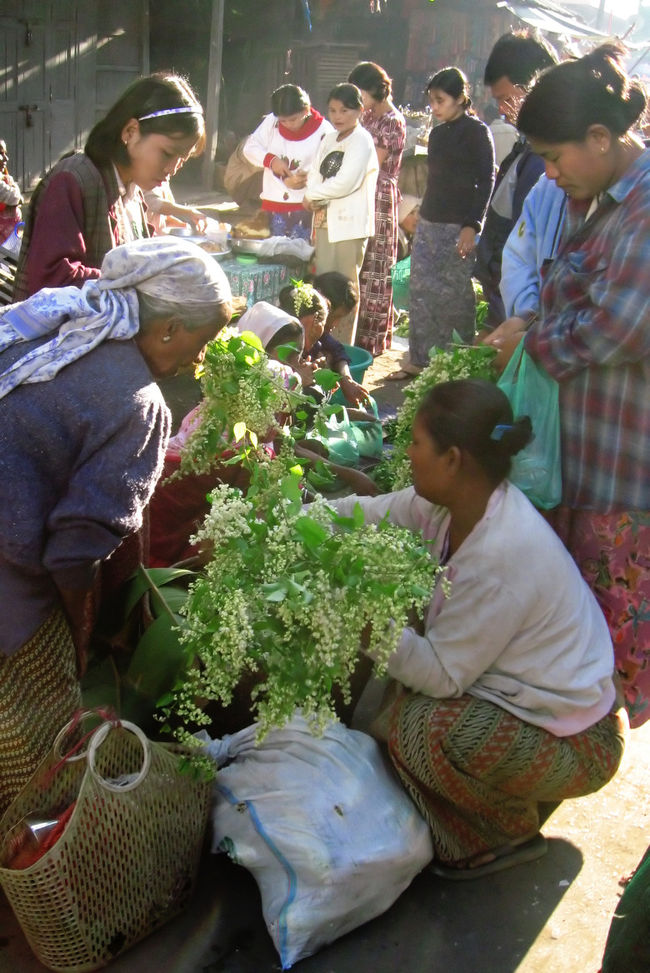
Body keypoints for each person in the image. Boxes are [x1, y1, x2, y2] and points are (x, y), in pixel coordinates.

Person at [333, 379, 626, 877]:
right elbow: (370, 515)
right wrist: (286, 523)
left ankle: (502, 831)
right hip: (528, 703)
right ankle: (487, 791)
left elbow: (444, 678)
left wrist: (361, 618)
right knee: (396, 707)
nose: (407, 452)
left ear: (452, 459)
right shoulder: (450, 505)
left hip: (581, 742)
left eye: (417, 442)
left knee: (419, 730)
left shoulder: (502, 552)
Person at [0, 237, 233, 814]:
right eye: (197, 347)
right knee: (34, 754)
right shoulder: (138, 401)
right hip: (10, 581)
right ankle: (34, 858)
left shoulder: (49, 324)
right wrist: (81, 633)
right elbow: (73, 552)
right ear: (170, 327)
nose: (192, 364)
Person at [494, 44, 650, 729]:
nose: (551, 175)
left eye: (556, 158)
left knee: (614, 650)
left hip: (626, 473)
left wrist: (529, 337)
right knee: (584, 644)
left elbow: (619, 327)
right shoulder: (603, 198)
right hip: (585, 459)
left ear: (600, 137)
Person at [13, 73, 205, 300]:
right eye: (168, 153)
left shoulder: (133, 192)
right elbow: (51, 281)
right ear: (130, 132)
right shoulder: (72, 181)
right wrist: (137, 280)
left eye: (182, 158)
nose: (172, 169)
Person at [388, 68, 494, 381]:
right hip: (430, 222)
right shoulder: (437, 133)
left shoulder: (476, 132)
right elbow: (436, 181)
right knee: (421, 291)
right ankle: (420, 360)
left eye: (440, 100)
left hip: (459, 226)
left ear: (461, 98)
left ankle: (458, 364)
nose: (434, 107)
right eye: (432, 100)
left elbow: (487, 180)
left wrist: (472, 225)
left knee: (455, 295)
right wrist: (422, 215)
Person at [475, 31, 558, 329]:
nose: (502, 109)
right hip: (511, 306)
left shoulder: (544, 161)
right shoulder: (526, 148)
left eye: (507, 98)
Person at [304, 83, 379, 345]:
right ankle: (320, 342)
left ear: (359, 110)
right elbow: (314, 173)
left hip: (350, 225)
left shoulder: (362, 140)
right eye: (333, 110)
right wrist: (310, 194)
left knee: (345, 289)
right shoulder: (329, 138)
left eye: (344, 110)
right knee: (323, 285)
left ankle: (343, 346)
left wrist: (312, 195)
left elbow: (347, 181)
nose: (337, 116)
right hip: (325, 221)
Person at [347, 62, 406, 356]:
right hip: (360, 191)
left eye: (361, 93)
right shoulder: (368, 116)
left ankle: (371, 340)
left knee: (376, 269)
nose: (359, 100)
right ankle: (354, 334)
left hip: (379, 196)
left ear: (375, 90)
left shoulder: (392, 121)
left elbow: (374, 161)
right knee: (360, 265)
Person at [243, 84, 333, 240]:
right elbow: (249, 148)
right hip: (272, 202)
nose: (288, 125)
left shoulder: (324, 131)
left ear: (306, 111)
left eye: (293, 119)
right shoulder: (272, 122)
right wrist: (271, 160)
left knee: (300, 255)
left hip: (305, 206)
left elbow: (332, 168)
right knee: (269, 254)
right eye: (283, 121)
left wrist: (308, 178)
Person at [278, 280, 369, 406]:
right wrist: (301, 376)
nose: (335, 325)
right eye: (313, 336)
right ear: (311, 320)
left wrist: (345, 379)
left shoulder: (308, 337)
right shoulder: (277, 352)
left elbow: (336, 349)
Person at [143, 177, 208, 235]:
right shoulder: (151, 176)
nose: (180, 165)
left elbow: (166, 219)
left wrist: (183, 226)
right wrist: (189, 212)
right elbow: (153, 203)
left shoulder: (165, 181)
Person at [0, 140, 22, 244]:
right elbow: (15, 198)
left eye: (5, 153)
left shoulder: (5, 178)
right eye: (0, 153)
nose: (6, 158)